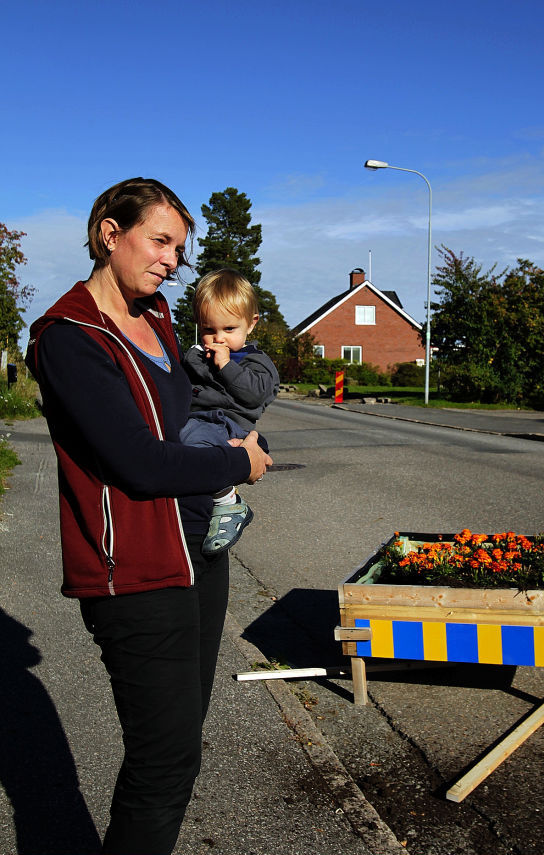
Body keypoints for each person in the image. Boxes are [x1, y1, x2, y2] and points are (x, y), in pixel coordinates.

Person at [26, 177, 272, 855]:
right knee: (165, 763)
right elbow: (139, 461)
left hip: (199, 552)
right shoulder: (70, 337)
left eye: (179, 248)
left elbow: (195, 411)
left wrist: (239, 438)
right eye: (160, 240)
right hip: (133, 569)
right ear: (110, 233)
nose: (171, 259)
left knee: (179, 745)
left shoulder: (160, 315)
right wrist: (236, 464)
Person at [180, 268, 280, 556]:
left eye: (229, 329)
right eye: (209, 330)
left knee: (197, 449)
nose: (218, 338)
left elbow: (254, 395)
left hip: (229, 422)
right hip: (198, 419)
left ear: (251, 324)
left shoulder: (255, 361)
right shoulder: (198, 354)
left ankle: (228, 502)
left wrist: (227, 366)